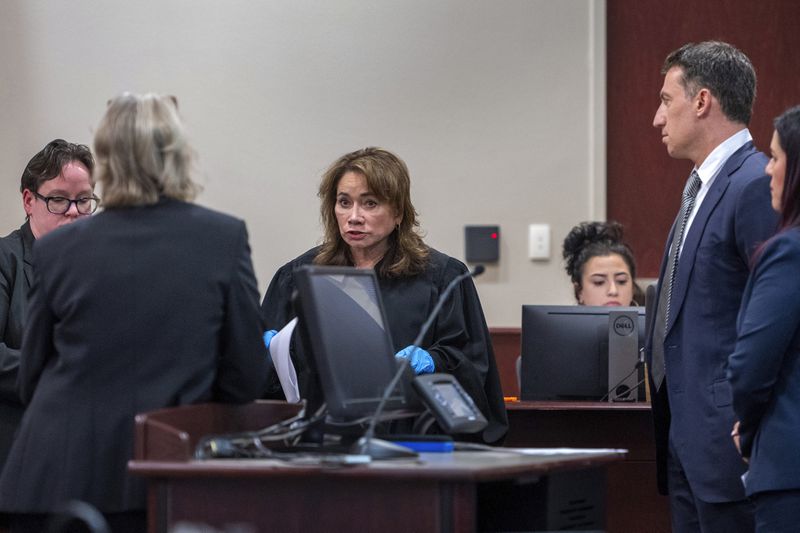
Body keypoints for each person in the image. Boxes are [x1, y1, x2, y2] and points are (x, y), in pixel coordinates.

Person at [0, 93, 270, 533]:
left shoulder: (58, 249)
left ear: (106, 160)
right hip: (165, 471)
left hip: (54, 478)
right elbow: (246, 376)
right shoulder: (222, 238)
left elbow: (34, 377)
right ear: (179, 156)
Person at [260, 147, 508, 444]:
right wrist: (262, 355)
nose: (354, 217)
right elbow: (265, 381)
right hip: (317, 443)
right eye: (344, 203)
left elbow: (472, 367)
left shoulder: (442, 277)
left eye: (370, 204)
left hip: (411, 445)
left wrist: (432, 360)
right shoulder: (298, 276)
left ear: (399, 212)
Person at [645, 41, 778, 532]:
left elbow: (780, 315)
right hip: (689, 440)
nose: (657, 119)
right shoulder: (699, 188)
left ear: (701, 101)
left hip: (734, 443)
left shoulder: (754, 184)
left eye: (665, 100)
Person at [0, 139, 96, 474]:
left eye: (83, 201)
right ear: (29, 200)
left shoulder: (103, 271)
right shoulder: (5, 259)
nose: (73, 212)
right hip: (15, 446)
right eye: (58, 200)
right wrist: (59, 374)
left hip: (86, 448)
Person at [727, 105, 800, 533]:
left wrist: (747, 431)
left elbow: (751, 365)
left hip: (788, 472)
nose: (768, 170)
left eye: (775, 157)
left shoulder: (789, 251)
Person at [562, 220, 643, 306]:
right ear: (579, 292)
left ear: (632, 289)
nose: (613, 291)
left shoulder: (650, 319)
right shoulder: (554, 319)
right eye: (599, 282)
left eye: (621, 281)